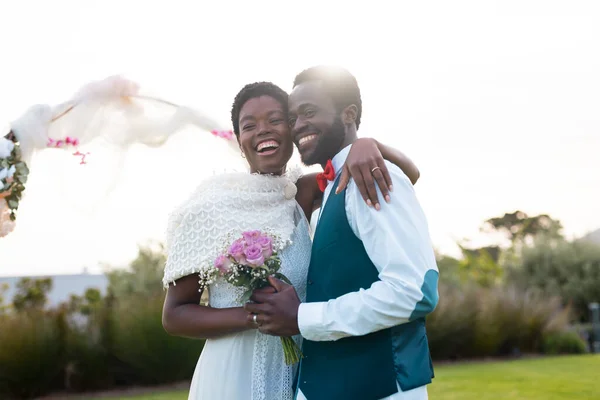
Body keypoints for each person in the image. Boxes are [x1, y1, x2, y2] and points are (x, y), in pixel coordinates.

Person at [162, 81, 421, 400]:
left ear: (293, 130)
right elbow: (174, 315)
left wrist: (368, 144)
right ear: (239, 140)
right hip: (233, 374)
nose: (263, 131)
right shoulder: (208, 208)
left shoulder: (302, 192)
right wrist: (258, 315)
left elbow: (406, 175)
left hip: (297, 372)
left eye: (276, 120)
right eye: (249, 125)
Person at [245, 67, 439, 400]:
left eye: (309, 112)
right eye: (292, 118)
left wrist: (302, 317)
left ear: (348, 114)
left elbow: (415, 291)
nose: (298, 125)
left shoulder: (371, 175)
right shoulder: (328, 189)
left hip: (378, 388)